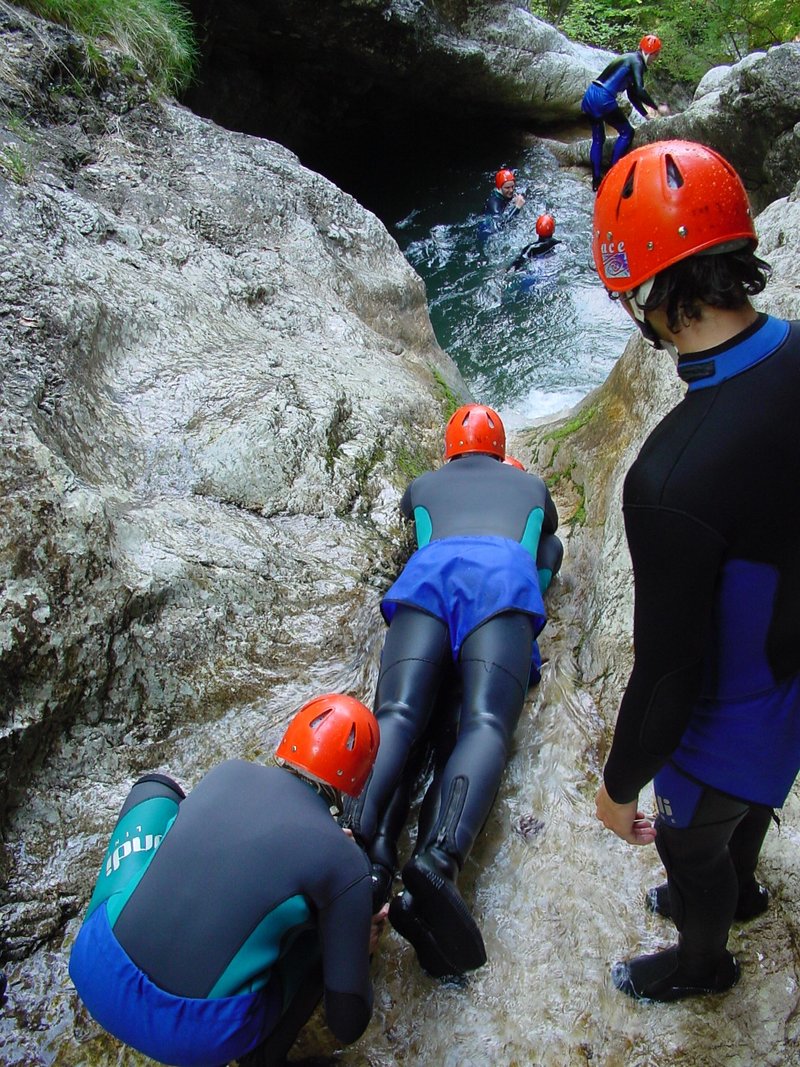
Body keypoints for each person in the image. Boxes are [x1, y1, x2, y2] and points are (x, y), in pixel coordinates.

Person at [591, 139, 800, 1003]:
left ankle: (703, 961)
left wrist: (617, 784)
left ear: (650, 295)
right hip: (787, 675)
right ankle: (742, 888)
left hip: (726, 720)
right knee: (736, 819)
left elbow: (669, 671)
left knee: (687, 842)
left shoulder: (671, 477)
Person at [345, 405, 561, 977]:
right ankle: (439, 858)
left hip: (429, 580)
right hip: (502, 582)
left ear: (449, 448)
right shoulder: (532, 486)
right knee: (485, 723)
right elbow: (549, 542)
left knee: (396, 712)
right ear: (501, 447)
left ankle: (352, 835)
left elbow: (417, 527)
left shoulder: (422, 486)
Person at [69, 694, 385, 1066]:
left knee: (155, 789)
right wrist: (353, 945)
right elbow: (347, 1024)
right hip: (195, 1037)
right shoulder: (345, 862)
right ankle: (266, 1056)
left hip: (95, 969)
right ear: (358, 782)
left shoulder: (228, 773)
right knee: (323, 924)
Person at [581, 35, 665, 193]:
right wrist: (656, 107)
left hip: (590, 95)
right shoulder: (637, 62)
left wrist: (646, 115)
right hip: (604, 98)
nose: (655, 59)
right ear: (652, 54)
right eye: (656, 55)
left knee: (598, 139)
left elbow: (632, 95)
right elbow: (640, 90)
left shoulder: (630, 59)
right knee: (627, 132)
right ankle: (614, 174)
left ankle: (596, 181)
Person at [480, 168, 526, 237]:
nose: (511, 190)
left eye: (512, 186)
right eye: (507, 188)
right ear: (499, 188)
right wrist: (516, 207)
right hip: (487, 231)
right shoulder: (494, 203)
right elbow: (500, 225)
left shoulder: (506, 194)